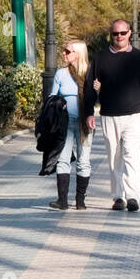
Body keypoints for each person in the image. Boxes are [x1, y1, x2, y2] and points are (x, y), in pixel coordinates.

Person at [81, 18, 140, 212]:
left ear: (130, 33)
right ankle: (118, 197)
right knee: (114, 156)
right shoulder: (101, 57)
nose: (119, 37)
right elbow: (90, 85)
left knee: (132, 155)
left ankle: (133, 196)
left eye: (123, 33)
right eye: (115, 34)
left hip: (133, 114)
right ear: (111, 35)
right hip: (109, 115)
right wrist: (89, 112)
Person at [48, 40, 92, 209]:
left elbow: (99, 98)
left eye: (68, 51)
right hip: (64, 122)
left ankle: (80, 201)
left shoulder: (90, 73)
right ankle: (63, 200)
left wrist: (98, 89)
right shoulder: (61, 73)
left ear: (78, 54)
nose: (64, 54)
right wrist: (59, 103)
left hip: (85, 122)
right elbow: (52, 96)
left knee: (83, 161)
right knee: (63, 159)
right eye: (64, 51)